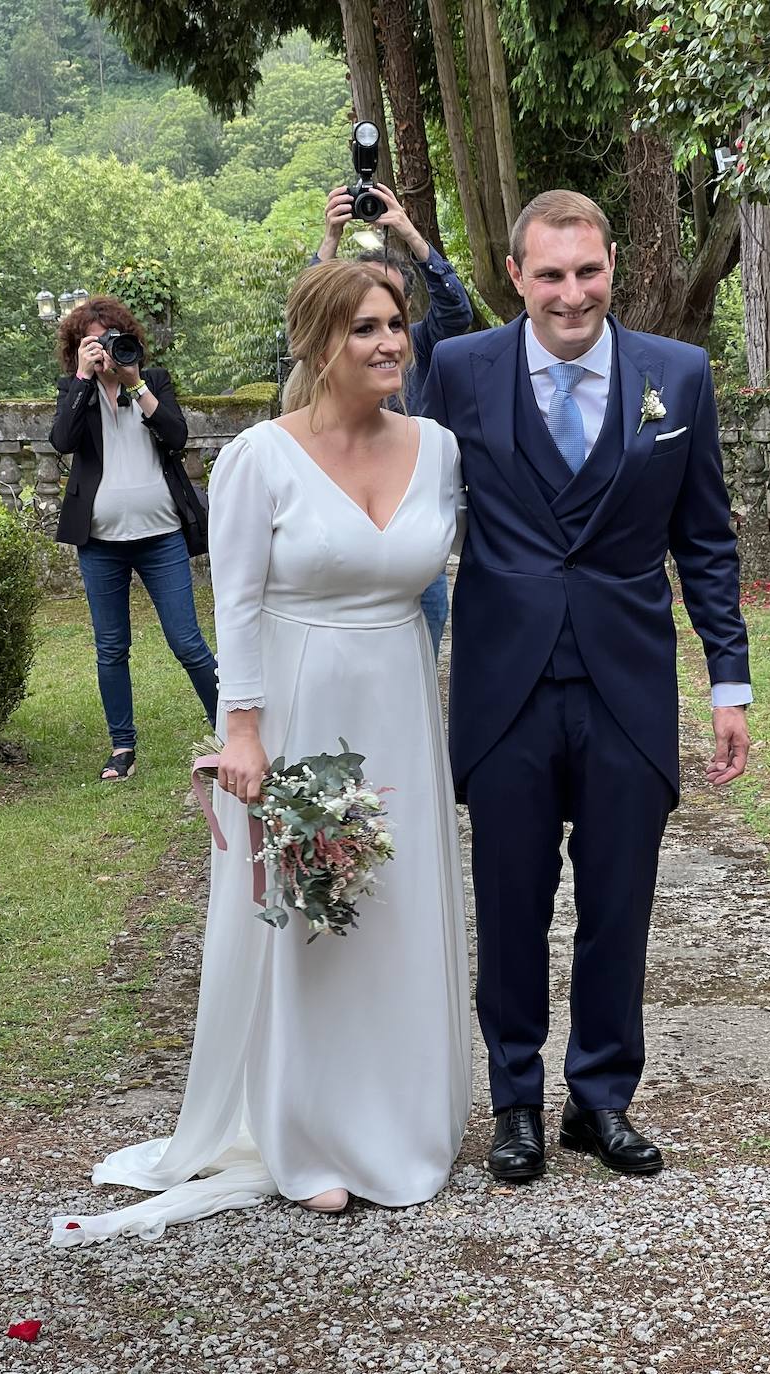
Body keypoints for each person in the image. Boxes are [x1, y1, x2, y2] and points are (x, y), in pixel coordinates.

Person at [51, 261, 471, 1245]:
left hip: (401, 699)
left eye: (395, 325)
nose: (389, 344)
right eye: (365, 328)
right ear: (318, 345)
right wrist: (242, 731)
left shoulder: (440, 449)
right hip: (299, 699)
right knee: (315, 916)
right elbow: (232, 604)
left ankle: (403, 1114)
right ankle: (309, 1137)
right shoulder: (259, 459)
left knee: (398, 904)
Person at [422, 190, 751, 1182]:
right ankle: (515, 1100)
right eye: (550, 274)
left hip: (626, 683)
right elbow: (407, 501)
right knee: (511, 900)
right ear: (515, 277)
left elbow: (703, 541)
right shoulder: (459, 369)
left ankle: (599, 1100)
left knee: (619, 903)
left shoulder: (676, 378)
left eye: (588, 271)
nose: (572, 294)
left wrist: (727, 683)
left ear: (612, 269)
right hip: (506, 684)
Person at [51, 296, 217, 781]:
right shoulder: (73, 388)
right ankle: (122, 746)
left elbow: (177, 435)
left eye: (111, 339)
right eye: (93, 342)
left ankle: (228, 727)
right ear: (77, 349)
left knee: (187, 641)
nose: (104, 349)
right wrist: (84, 379)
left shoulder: (153, 381)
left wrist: (135, 382)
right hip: (99, 541)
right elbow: (62, 441)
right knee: (111, 647)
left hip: (160, 535)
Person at [311, 181, 474, 656]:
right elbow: (306, 321)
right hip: (345, 512)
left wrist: (407, 231)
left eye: (395, 311)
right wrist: (330, 240)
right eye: (365, 318)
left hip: (408, 516)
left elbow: (457, 311)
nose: (385, 332)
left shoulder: (419, 343)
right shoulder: (332, 351)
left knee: (424, 636)